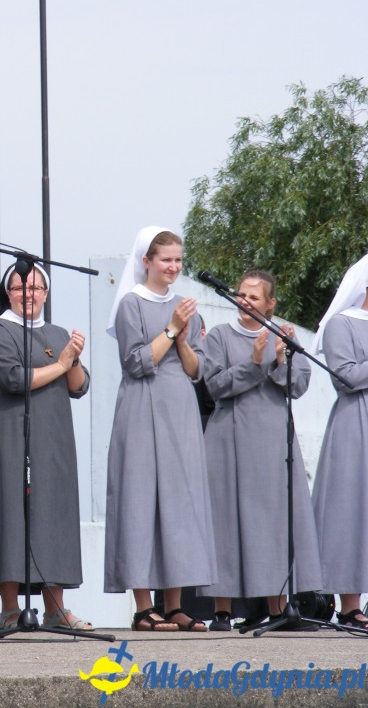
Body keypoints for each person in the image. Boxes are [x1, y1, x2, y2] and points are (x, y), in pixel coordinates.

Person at [103, 226, 216, 632]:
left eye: (178, 260)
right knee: (141, 502)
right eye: (165, 259)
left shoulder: (187, 308)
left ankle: (175, 605)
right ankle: (142, 605)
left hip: (179, 412)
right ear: (146, 261)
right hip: (140, 408)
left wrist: (183, 336)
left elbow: (196, 370)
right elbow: (135, 363)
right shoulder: (131, 304)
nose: (173, 266)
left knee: (179, 503)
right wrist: (170, 329)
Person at [0, 263, 92, 631]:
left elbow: (79, 386)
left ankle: (56, 608)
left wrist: (73, 357)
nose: (29, 294)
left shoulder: (54, 332)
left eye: (36, 288)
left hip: (54, 437)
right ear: (8, 293)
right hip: (11, 435)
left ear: (46, 293)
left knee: (53, 513)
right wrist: (62, 363)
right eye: (21, 288)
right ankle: (10, 609)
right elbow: (13, 379)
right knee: (9, 514)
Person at [199, 270, 322, 630]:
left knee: (274, 522)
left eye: (254, 297)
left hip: (273, 441)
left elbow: (298, 386)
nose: (245, 302)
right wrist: (255, 362)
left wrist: (279, 357)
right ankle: (222, 610)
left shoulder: (283, 335)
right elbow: (216, 386)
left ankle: (279, 608)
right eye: (241, 295)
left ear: (270, 303)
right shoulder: (220, 336)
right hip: (228, 441)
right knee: (227, 522)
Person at [310, 253, 368, 628]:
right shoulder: (340, 325)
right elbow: (345, 377)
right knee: (351, 510)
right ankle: (348, 604)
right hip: (356, 424)